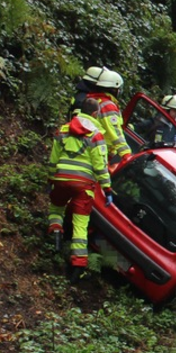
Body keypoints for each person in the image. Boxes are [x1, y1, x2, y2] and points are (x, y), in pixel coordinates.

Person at [48, 99, 112, 280]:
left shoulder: (64, 129)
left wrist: (51, 178)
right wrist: (107, 189)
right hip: (83, 185)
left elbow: (54, 158)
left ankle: (56, 232)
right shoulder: (97, 136)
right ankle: (77, 266)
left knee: (56, 207)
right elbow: (100, 166)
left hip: (61, 178)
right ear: (94, 114)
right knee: (80, 224)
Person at [72, 66, 132, 165]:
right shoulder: (108, 105)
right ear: (115, 90)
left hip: (85, 146)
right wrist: (126, 154)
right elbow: (115, 133)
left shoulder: (92, 100)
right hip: (99, 151)